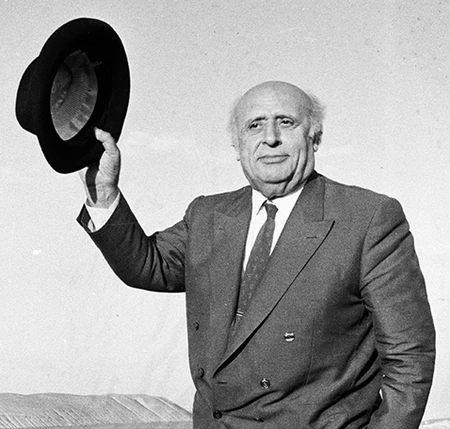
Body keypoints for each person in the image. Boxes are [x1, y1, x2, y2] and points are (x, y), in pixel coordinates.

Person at [77, 81, 435, 428]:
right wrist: (104, 192)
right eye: (255, 125)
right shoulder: (207, 215)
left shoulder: (367, 218)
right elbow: (147, 266)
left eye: (286, 122)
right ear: (237, 144)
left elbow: (410, 357)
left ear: (315, 137)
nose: (270, 138)